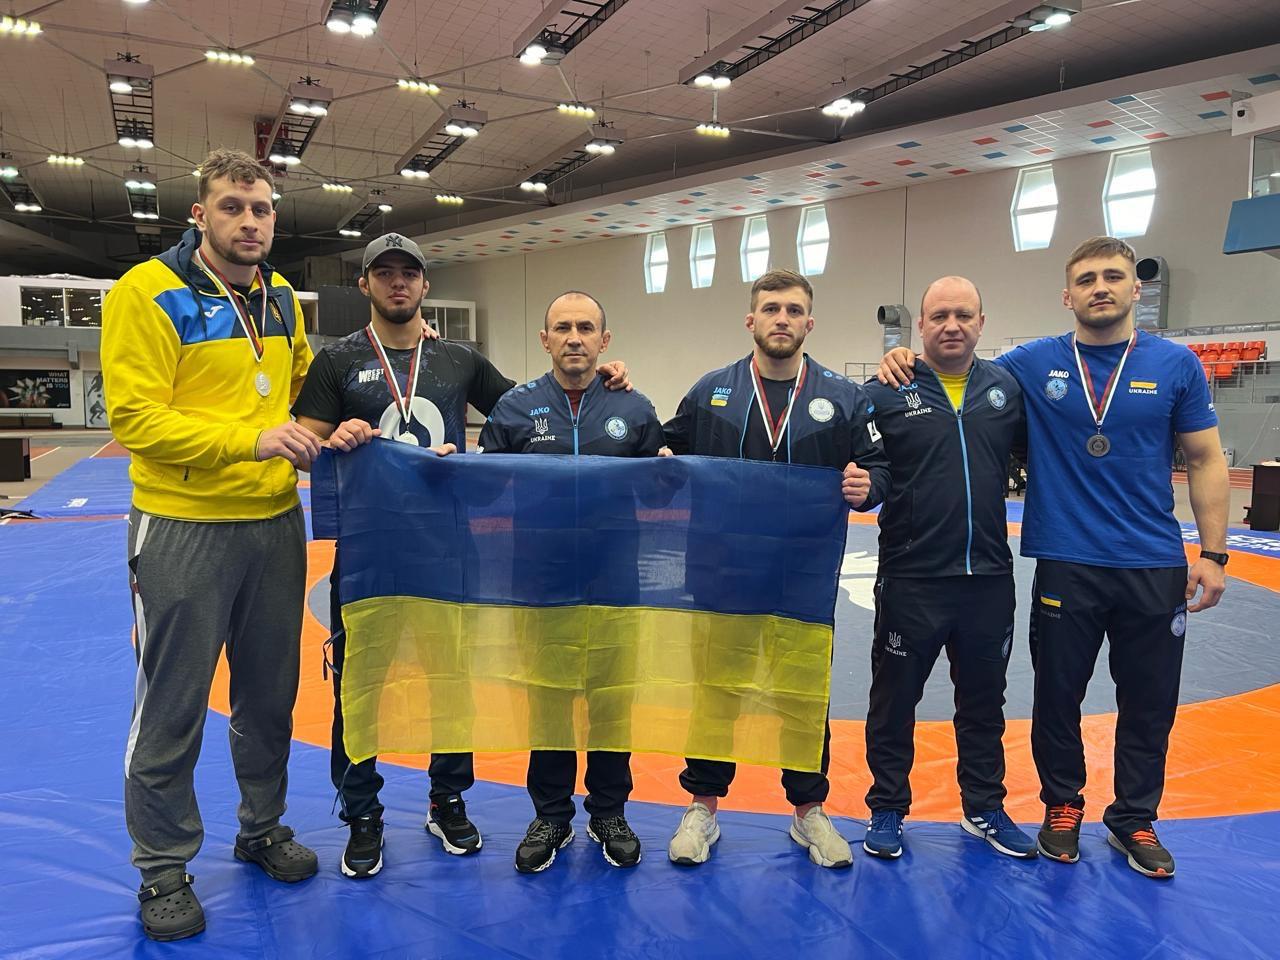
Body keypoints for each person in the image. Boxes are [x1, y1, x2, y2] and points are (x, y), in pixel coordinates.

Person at [878, 237, 1228, 879]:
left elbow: (1205, 457)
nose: (1101, 287)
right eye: (1087, 279)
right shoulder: (1031, 363)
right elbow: (958, 367)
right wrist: (903, 356)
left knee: (1150, 700)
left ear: (1135, 288)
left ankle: (1133, 817)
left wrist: (1213, 552)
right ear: (1067, 296)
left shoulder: (1176, 364)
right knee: (1058, 697)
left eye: (1113, 276)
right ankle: (1062, 806)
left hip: (1153, 560)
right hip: (1067, 560)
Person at [292, 237, 632, 879]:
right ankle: (362, 813)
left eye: (409, 274)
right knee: (359, 688)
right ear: (365, 284)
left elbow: (535, 407)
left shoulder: (458, 359)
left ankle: (446, 800)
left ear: (425, 286)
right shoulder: (336, 360)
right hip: (367, 554)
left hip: (448, 551)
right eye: (384, 274)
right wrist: (334, 437)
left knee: (450, 683)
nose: (398, 283)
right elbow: (302, 447)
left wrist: (600, 380)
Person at [102, 148, 320, 942]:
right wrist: (249, 441)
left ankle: (261, 827)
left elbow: (301, 389)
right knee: (174, 701)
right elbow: (135, 419)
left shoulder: (282, 297)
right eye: (232, 206)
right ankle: (162, 865)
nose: (249, 221)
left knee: (269, 697)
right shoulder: (147, 292)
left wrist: (335, 422)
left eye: (260, 209)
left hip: (274, 523)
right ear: (200, 214)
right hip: (183, 525)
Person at [662, 267, 891, 869]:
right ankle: (703, 807)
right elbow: (660, 450)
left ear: (809, 322)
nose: (781, 319)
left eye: (792, 310)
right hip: (721, 575)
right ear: (751, 319)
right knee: (716, 692)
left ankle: (808, 809)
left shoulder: (844, 397)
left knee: (803, 694)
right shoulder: (711, 391)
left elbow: (879, 466)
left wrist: (868, 487)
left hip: (803, 578)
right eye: (771, 309)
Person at [479, 290, 663, 873]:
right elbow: (479, 485)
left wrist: (668, 470)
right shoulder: (514, 408)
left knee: (611, 701)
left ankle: (609, 812)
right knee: (549, 700)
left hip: (616, 583)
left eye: (586, 327)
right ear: (545, 339)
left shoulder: (634, 408)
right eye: (563, 327)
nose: (575, 337)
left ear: (605, 341)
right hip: (540, 583)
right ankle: (552, 815)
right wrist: (439, 463)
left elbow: (666, 487)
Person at [859, 277, 1034, 861]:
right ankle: (887, 805)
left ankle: (983, 806)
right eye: (938, 315)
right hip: (912, 577)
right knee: (894, 700)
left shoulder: (1006, 390)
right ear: (920, 326)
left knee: (984, 702)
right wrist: (866, 490)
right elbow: (871, 468)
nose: (951, 325)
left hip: (988, 579)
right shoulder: (886, 390)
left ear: (981, 322)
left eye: (963, 314)